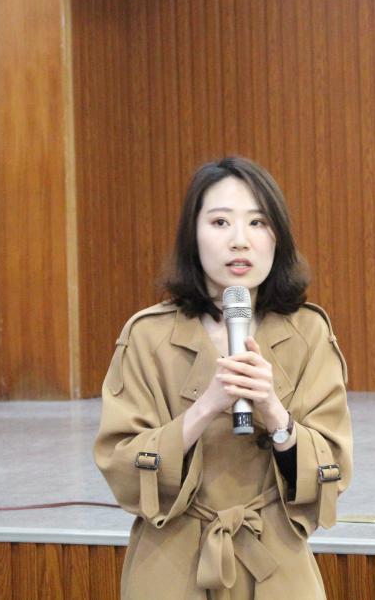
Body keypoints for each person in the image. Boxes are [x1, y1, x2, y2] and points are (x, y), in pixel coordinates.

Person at [94, 156, 353, 599]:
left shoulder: (309, 332)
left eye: (257, 222)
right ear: (193, 236)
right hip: (171, 563)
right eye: (219, 222)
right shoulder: (147, 335)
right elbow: (121, 468)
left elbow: (334, 468)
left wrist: (274, 412)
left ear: (277, 237)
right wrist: (206, 406)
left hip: (275, 561)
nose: (239, 241)